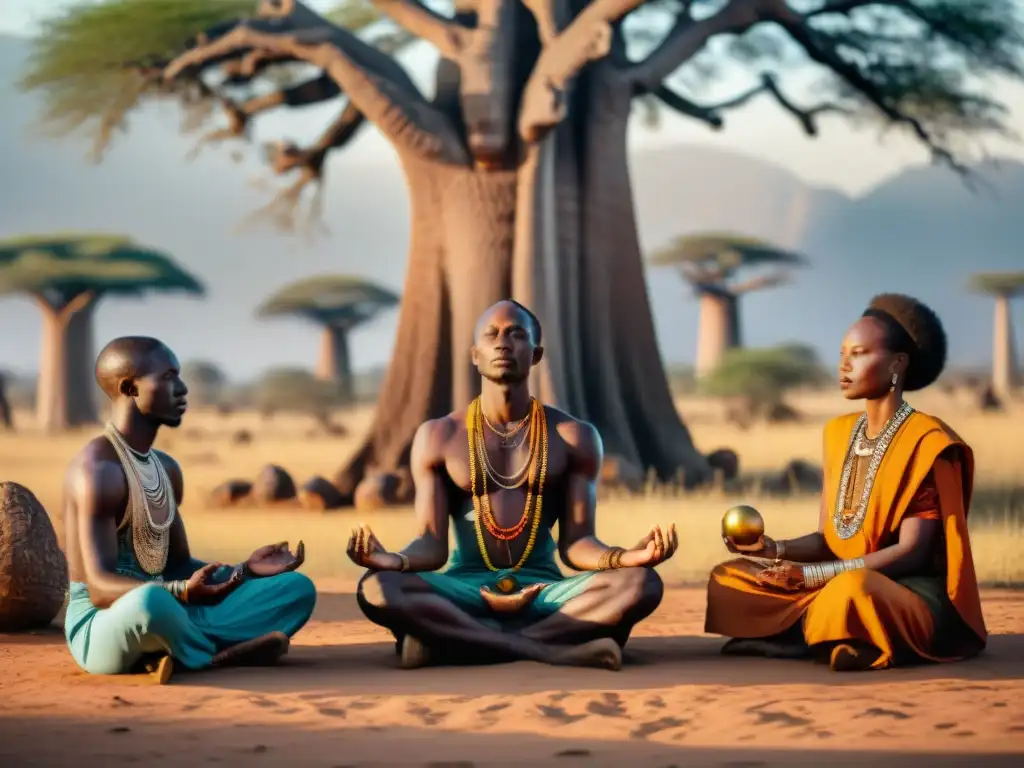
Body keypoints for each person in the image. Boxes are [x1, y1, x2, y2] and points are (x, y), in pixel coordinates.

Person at [349, 300, 676, 670]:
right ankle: (550, 647)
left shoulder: (574, 436)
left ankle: (458, 643)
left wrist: (625, 558)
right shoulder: (440, 435)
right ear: (475, 355)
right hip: (465, 588)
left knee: (639, 583)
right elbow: (432, 544)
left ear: (536, 354)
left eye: (516, 334)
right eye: (492, 335)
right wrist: (394, 560)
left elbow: (577, 543)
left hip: (546, 592)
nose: (503, 343)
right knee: (379, 586)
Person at [705, 293, 988, 672]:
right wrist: (771, 548)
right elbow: (828, 539)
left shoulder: (927, 441)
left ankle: (815, 633)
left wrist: (811, 576)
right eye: (842, 355)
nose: (844, 366)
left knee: (851, 591)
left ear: (897, 364)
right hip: (833, 579)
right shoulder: (838, 434)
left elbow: (912, 553)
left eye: (858, 354)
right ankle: (825, 634)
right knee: (730, 578)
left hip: (900, 590)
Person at [62, 336, 317, 683]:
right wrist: (179, 592)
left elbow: (179, 564)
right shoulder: (99, 471)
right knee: (150, 603)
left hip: (173, 607)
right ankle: (218, 655)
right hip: (106, 621)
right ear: (130, 388)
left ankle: (175, 650)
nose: (182, 389)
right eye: (168, 377)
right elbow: (99, 588)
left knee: (296, 589)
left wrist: (245, 571)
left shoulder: (166, 469)